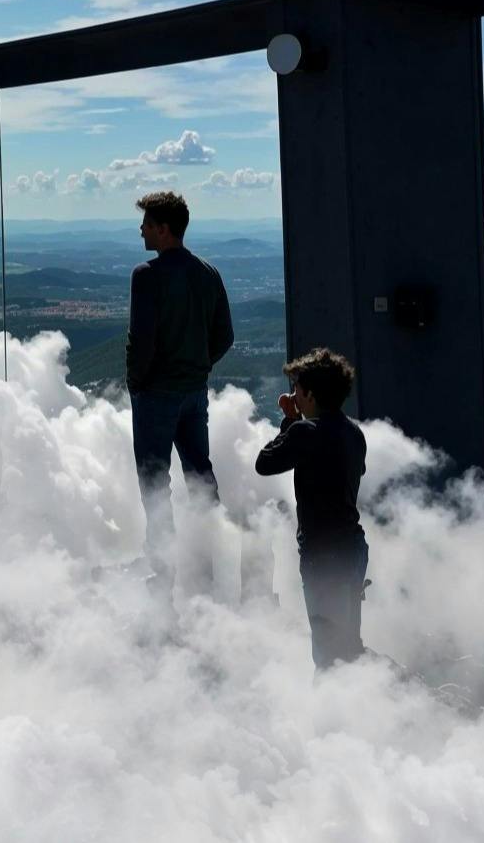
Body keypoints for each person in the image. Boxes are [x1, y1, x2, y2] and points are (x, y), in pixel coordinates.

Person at [125, 190, 234, 580]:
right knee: (200, 476)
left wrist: (137, 383)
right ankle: (211, 563)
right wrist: (198, 366)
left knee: (155, 482)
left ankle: (163, 570)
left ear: (164, 229)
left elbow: (141, 341)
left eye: (147, 225)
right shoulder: (209, 273)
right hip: (194, 391)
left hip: (156, 394)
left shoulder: (147, 276)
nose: (141, 231)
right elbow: (225, 336)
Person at [255, 347, 369, 669]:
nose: (294, 395)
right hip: (353, 548)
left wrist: (289, 421)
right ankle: (361, 704)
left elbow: (264, 463)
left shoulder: (305, 431)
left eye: (297, 390)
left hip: (324, 554)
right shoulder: (353, 432)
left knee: (327, 650)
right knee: (348, 642)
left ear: (310, 394)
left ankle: (331, 713)